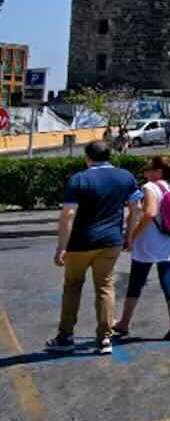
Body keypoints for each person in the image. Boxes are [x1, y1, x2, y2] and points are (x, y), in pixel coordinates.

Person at [46, 140, 139, 355]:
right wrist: (129, 236)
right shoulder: (126, 177)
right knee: (105, 286)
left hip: (80, 243)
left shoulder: (79, 179)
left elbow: (68, 214)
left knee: (73, 286)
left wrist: (61, 247)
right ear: (109, 155)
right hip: (111, 241)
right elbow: (137, 209)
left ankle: (65, 336)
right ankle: (105, 338)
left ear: (87, 157)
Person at [112, 156, 170, 341]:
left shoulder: (150, 187)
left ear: (158, 172)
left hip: (149, 243)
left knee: (136, 282)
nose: (145, 173)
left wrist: (133, 235)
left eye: (148, 169)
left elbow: (150, 212)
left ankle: (124, 323)